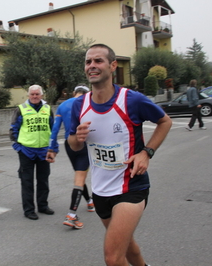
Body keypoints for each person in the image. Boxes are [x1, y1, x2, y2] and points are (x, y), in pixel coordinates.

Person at [68, 44, 172, 266]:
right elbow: (74, 146)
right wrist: (76, 138)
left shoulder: (131, 99)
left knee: (113, 258)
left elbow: (165, 121)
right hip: (100, 191)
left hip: (131, 187)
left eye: (98, 61)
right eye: (88, 62)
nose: (92, 66)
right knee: (128, 246)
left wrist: (147, 152)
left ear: (112, 66)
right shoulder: (79, 105)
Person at [46, 84, 94, 230]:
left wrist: (52, 148)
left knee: (80, 174)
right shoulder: (88, 103)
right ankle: (71, 215)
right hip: (85, 143)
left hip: (69, 144)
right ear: (87, 93)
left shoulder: (62, 106)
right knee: (80, 177)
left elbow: (54, 129)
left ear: (74, 93)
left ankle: (90, 201)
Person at [9, 85, 55, 220]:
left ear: (41, 95)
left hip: (43, 151)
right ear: (28, 95)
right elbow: (13, 129)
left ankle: (43, 206)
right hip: (26, 151)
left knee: (43, 180)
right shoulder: (21, 109)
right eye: (32, 94)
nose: (35, 96)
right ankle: (29, 210)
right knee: (27, 182)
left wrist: (52, 147)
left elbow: (52, 128)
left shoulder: (47, 109)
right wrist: (18, 147)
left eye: (37, 94)